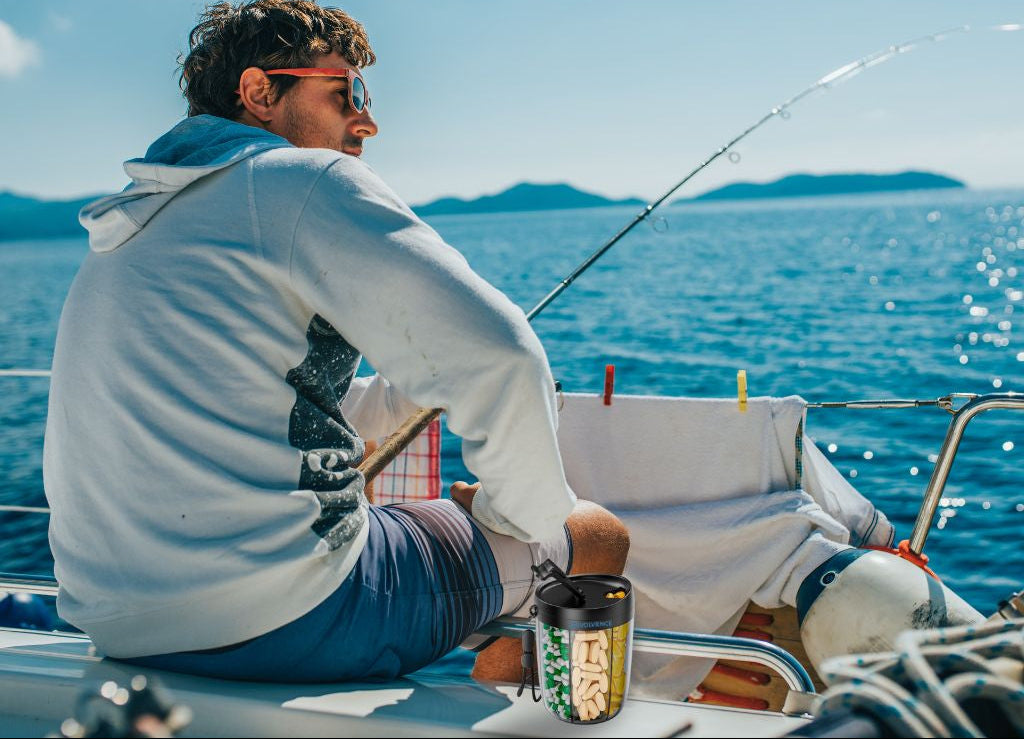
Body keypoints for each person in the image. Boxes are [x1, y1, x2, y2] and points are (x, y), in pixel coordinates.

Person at [43, 0, 629, 683]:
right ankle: (520, 710)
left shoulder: (130, 226)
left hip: (119, 625)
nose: (367, 120)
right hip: (288, 616)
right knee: (593, 533)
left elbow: (234, 394)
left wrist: (395, 408)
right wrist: (514, 519)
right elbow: (503, 356)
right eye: (345, 92)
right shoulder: (298, 179)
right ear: (260, 92)